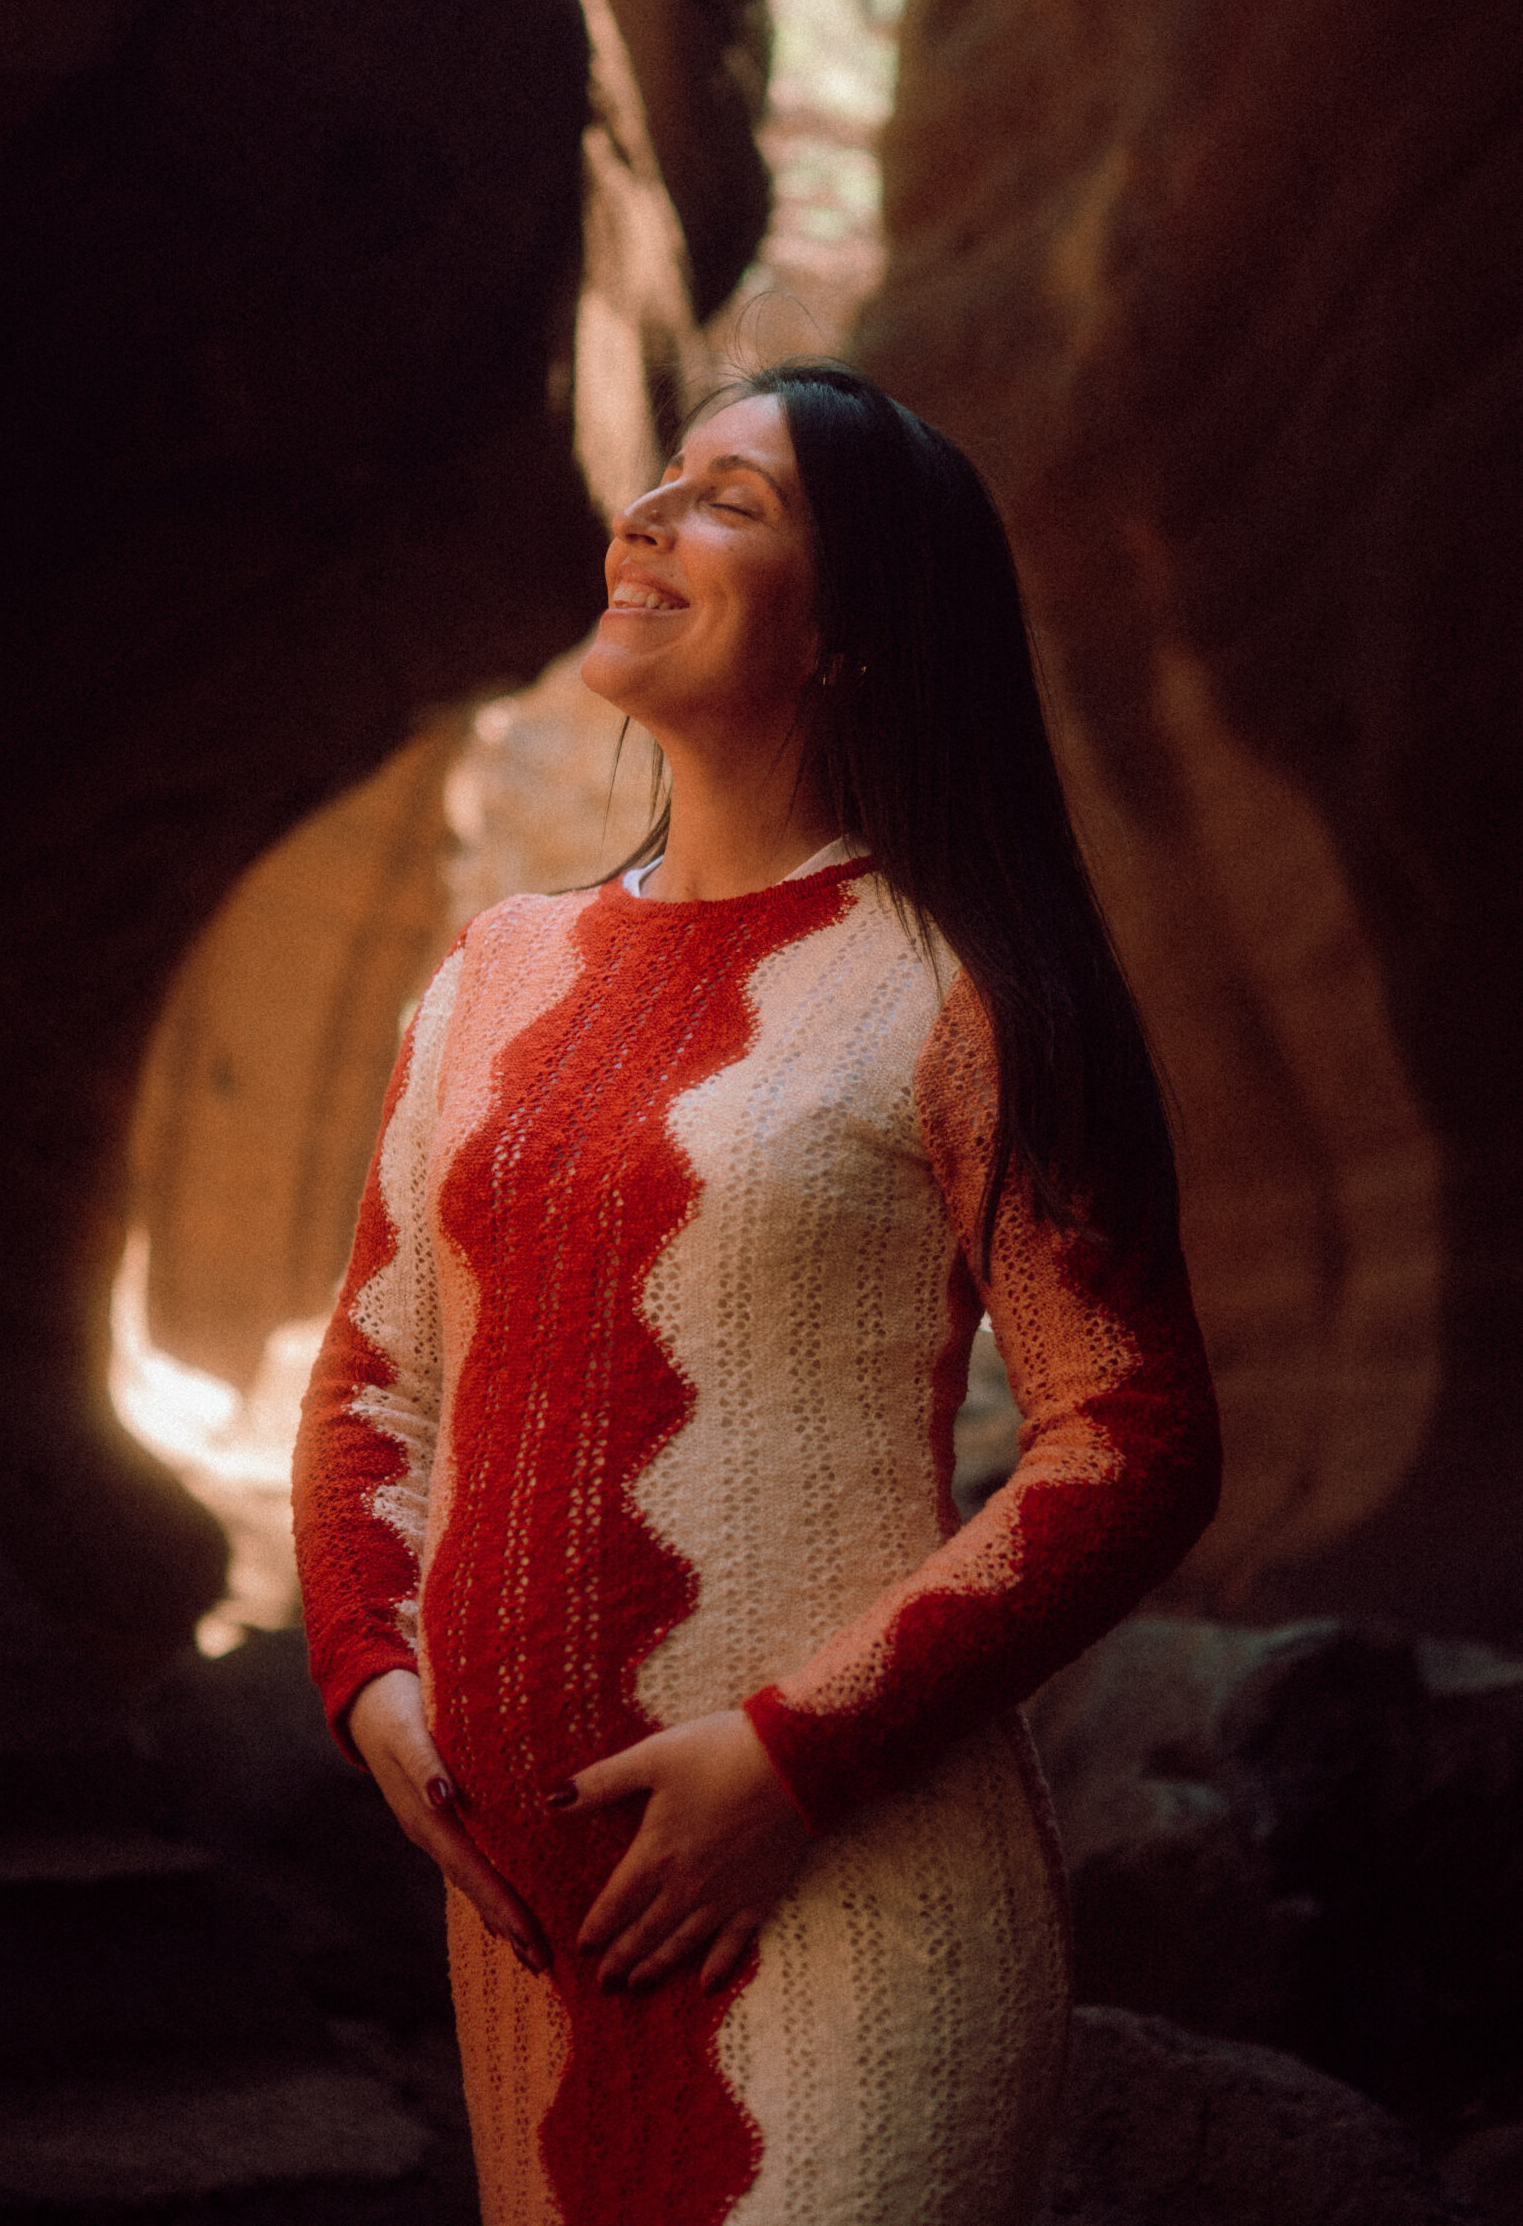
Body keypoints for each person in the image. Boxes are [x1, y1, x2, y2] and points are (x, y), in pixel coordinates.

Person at [292, 361, 1221, 2226]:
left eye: (735, 499)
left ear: (859, 634)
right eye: (662, 476)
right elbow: (374, 1385)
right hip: (533, 1951)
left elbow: (1130, 1437)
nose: (649, 513)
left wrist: (795, 1761)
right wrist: (366, 1678)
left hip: (853, 1895)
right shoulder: (491, 973)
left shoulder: (962, 985)